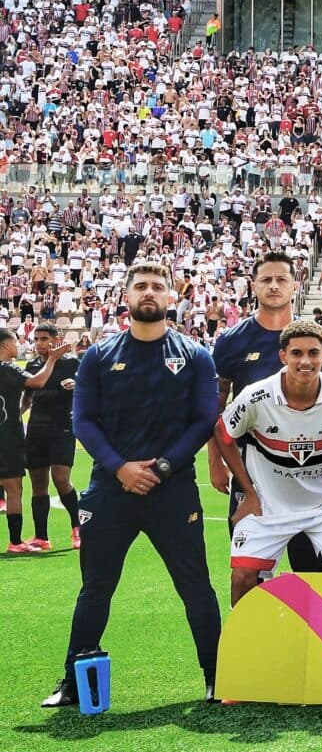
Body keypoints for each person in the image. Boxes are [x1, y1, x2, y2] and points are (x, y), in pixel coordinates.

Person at [43, 262, 222, 708]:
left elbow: (203, 421)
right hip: (109, 489)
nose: (149, 293)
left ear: (171, 297)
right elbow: (83, 421)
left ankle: (220, 676)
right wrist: (121, 468)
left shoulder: (196, 355)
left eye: (157, 287)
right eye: (140, 286)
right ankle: (71, 680)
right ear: (125, 296)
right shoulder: (99, 356)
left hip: (174, 488)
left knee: (195, 585)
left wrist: (160, 468)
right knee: (96, 587)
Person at [213, 320, 322, 605]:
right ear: (283, 356)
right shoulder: (257, 395)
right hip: (268, 502)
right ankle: (247, 645)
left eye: (313, 353)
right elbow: (222, 432)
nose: (306, 361)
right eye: (297, 353)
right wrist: (249, 492)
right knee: (242, 577)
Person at [210, 251, 311, 568]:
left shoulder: (312, 337)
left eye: (281, 279)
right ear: (253, 286)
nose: (273, 285)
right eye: (266, 279)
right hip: (249, 469)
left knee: (310, 569)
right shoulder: (231, 340)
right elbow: (217, 404)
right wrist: (215, 461)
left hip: (305, 469)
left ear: (294, 286)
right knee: (247, 570)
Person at [0, 329, 72, 553]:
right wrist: (52, 359)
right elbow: (37, 383)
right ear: (5, 346)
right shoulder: (10, 369)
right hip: (8, 437)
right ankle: (16, 542)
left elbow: (22, 402)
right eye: (14, 343)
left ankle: (61, 531)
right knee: (14, 488)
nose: (18, 347)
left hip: (52, 429)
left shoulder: (72, 365)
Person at [21, 324, 81, 551]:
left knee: (61, 478)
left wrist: (77, 385)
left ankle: (77, 528)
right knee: (38, 484)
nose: (39, 343)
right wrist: (13, 419)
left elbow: (91, 388)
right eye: (36, 339)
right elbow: (27, 399)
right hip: (36, 429)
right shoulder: (32, 365)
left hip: (62, 427)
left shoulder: (71, 363)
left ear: (56, 340)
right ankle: (41, 537)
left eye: (44, 339)